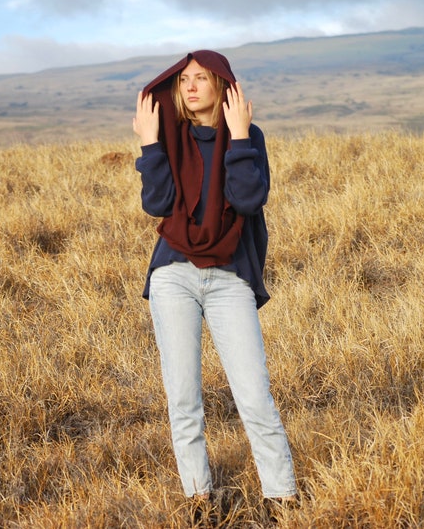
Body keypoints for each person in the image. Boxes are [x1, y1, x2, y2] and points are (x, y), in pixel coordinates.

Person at [132, 50, 298, 511]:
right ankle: (199, 500)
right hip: (173, 276)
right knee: (183, 396)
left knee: (254, 394)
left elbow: (246, 199)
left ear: (221, 85)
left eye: (201, 78)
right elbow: (159, 203)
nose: (189, 86)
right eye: (184, 79)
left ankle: (282, 498)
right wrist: (149, 145)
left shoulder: (249, 137)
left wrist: (241, 135)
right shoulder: (168, 137)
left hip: (229, 278)